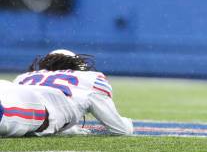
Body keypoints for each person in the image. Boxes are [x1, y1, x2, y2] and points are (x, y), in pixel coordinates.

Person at [0, 49, 133, 137]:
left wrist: (70, 129)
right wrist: (128, 123)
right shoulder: (90, 78)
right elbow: (120, 129)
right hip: (36, 107)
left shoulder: (24, 76)